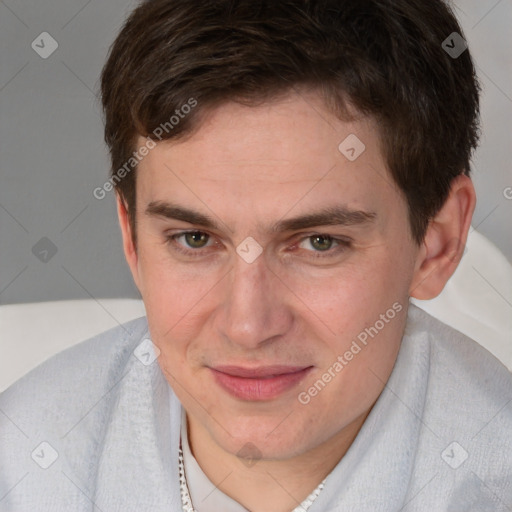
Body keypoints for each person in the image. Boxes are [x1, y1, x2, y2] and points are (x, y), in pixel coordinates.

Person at [1, 0, 511, 510]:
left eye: (319, 243)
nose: (248, 326)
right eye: (194, 239)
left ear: (437, 244)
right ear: (132, 239)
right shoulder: (24, 464)